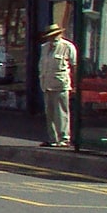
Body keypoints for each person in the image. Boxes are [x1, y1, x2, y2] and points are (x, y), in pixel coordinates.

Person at [38, 20, 77, 148]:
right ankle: (52, 138)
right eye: (50, 36)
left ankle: (64, 138)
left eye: (55, 35)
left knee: (61, 113)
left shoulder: (68, 47)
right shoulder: (44, 48)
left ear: (59, 35)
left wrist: (74, 85)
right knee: (49, 113)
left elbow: (74, 66)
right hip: (46, 83)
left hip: (61, 84)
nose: (52, 38)